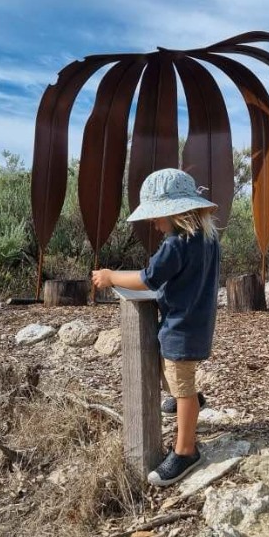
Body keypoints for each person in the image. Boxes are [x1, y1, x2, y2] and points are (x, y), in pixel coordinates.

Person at [90, 167, 220, 488]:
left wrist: (110, 276)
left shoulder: (175, 245)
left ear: (175, 213)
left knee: (181, 384)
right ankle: (189, 400)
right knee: (175, 376)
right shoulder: (208, 239)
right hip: (197, 322)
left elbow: (147, 278)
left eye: (156, 216)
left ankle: (186, 451)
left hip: (180, 327)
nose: (153, 222)